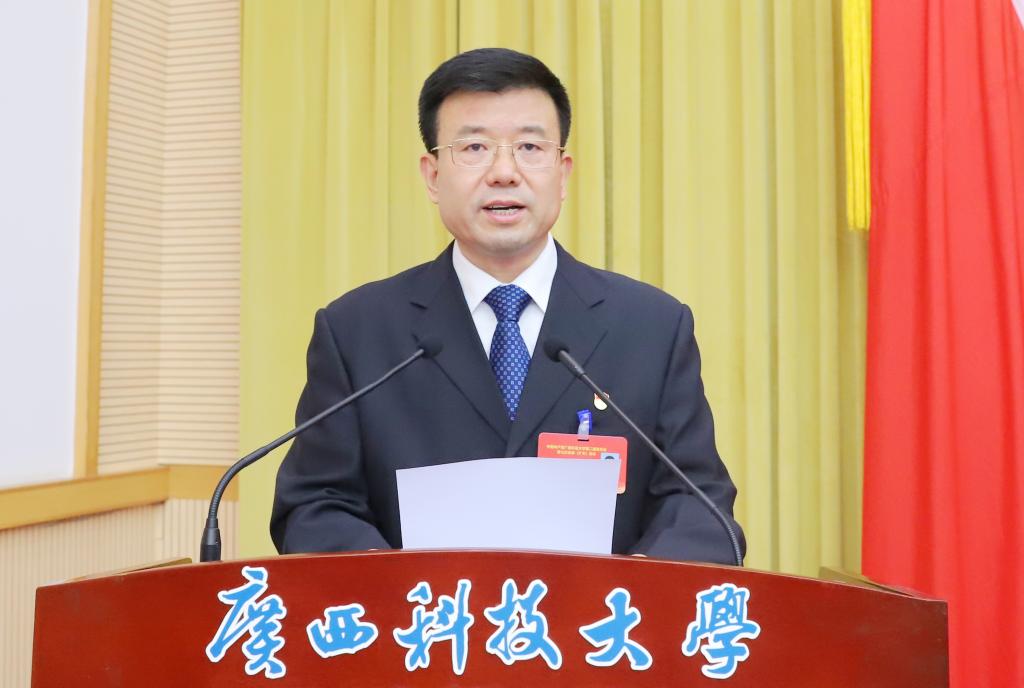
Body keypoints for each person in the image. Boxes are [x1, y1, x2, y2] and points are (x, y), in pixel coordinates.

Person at [270, 48, 744, 564]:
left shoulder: (651, 326)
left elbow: (700, 507)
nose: (503, 172)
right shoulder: (357, 330)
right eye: (474, 147)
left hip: (602, 616)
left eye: (529, 147)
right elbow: (313, 506)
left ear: (562, 173)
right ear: (432, 175)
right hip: (422, 614)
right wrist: (396, 587)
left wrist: (634, 588)